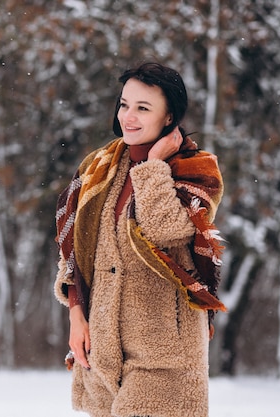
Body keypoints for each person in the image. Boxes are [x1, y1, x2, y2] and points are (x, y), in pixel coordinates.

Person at [54, 62, 227, 417]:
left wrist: (152, 165)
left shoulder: (197, 169)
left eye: (143, 108)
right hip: (102, 349)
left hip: (164, 356)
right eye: (124, 104)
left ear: (169, 118)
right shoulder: (100, 167)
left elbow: (165, 229)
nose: (128, 117)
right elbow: (73, 249)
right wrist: (76, 314)